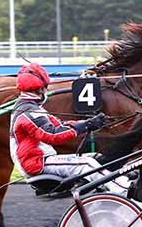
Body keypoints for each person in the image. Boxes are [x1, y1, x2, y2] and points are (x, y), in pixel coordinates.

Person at [9, 63, 132, 195]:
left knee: (97, 158)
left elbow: (60, 125)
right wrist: (85, 126)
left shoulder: (31, 107)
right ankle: (125, 189)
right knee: (87, 163)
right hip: (37, 164)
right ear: (40, 88)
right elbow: (52, 134)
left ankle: (118, 181)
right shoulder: (29, 111)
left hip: (41, 160)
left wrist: (88, 123)